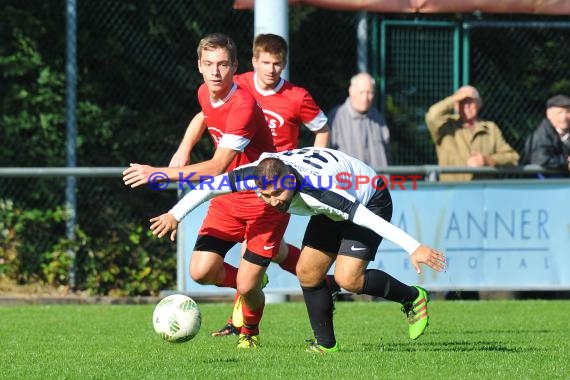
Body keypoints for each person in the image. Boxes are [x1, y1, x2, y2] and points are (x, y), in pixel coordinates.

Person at [148, 147, 447, 353]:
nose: (273, 201)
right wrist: (175, 214)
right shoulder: (254, 175)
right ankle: (327, 346)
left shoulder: (320, 192)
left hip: (369, 198)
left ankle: (412, 297)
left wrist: (414, 246)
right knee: (307, 272)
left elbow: (366, 218)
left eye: (278, 193)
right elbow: (209, 186)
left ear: (289, 181)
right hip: (334, 204)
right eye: (265, 195)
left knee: (348, 279)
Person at [123, 33, 289, 349]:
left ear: (235, 66)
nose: (216, 72)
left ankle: (250, 333)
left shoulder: (242, 105)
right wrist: (185, 147)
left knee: (246, 282)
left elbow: (216, 167)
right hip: (227, 199)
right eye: (209, 64)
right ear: (199, 65)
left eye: (223, 64)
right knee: (200, 271)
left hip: (263, 200)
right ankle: (251, 282)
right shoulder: (205, 92)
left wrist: (156, 174)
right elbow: (204, 115)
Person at [168, 33, 335, 338]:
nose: (271, 69)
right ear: (253, 62)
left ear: (284, 65)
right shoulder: (233, 83)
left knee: (252, 271)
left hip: (271, 191)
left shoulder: (296, 97)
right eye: (266, 62)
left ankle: (244, 326)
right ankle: (321, 285)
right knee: (266, 259)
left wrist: (310, 162)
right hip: (232, 188)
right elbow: (204, 116)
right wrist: (184, 149)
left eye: (278, 64)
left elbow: (322, 129)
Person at [425, 85, 519, 182]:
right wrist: (454, 98)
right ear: (456, 105)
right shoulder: (445, 126)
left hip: (482, 191)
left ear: (479, 104)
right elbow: (432, 116)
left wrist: (487, 160)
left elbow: (512, 157)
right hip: (452, 191)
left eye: (470, 101)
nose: (466, 106)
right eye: (462, 102)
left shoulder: (491, 129)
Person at [329, 72, 392, 169]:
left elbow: (387, 154)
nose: (365, 98)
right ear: (351, 91)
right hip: (347, 182)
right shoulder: (336, 117)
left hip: (378, 181)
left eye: (370, 93)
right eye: (361, 92)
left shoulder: (378, 118)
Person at [523, 94, 570, 176]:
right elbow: (542, 159)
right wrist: (566, 162)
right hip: (545, 183)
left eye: (568, 112)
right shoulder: (540, 135)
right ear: (549, 114)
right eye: (560, 113)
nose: (564, 117)